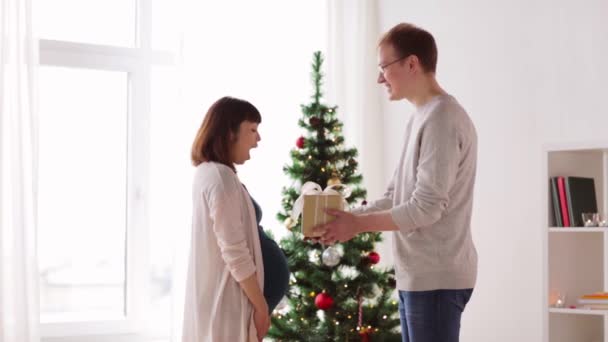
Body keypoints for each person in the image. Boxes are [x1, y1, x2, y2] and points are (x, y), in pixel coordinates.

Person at [314, 23, 477, 342]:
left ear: (412, 63)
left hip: (436, 280)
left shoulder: (442, 119)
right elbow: (395, 196)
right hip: (420, 278)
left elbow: (426, 208)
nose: (379, 78)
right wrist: (343, 222)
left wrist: (357, 225)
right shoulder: (422, 116)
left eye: (384, 67)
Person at [182, 96, 290, 342]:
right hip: (231, 304)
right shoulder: (220, 178)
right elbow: (234, 251)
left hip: (228, 303)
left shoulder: (211, 173)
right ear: (229, 132)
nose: (258, 139)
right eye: (252, 129)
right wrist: (261, 307)